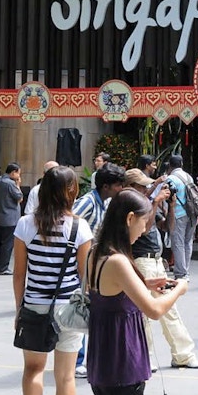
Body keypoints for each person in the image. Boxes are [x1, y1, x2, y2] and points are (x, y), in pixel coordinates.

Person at [86, 189, 190, 395]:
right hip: (122, 359)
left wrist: (144, 284)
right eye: (143, 222)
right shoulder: (118, 261)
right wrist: (179, 289)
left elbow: (107, 291)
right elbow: (154, 310)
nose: (144, 230)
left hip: (103, 356)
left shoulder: (96, 251)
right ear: (129, 218)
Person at [12, 166, 92, 395]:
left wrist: (19, 309)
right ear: (71, 191)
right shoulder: (80, 228)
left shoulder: (25, 224)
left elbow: (19, 274)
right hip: (69, 308)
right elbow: (84, 275)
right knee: (66, 377)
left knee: (33, 369)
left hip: (35, 303)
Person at [125, 168, 198, 369]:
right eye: (143, 186)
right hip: (141, 260)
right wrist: (153, 201)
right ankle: (147, 356)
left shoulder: (148, 203)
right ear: (132, 187)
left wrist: (169, 205)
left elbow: (167, 227)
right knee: (144, 312)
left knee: (169, 309)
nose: (146, 189)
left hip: (156, 261)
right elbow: (143, 229)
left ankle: (183, 354)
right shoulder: (131, 206)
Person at [73, 162, 127, 379]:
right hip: (82, 263)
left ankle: (86, 357)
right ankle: (77, 359)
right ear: (106, 186)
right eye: (117, 185)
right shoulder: (88, 202)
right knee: (83, 308)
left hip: (95, 263)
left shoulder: (104, 203)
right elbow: (70, 222)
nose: (120, 190)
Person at [165, 155, 194, 280]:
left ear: (170, 165)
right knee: (188, 242)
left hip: (178, 213)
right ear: (181, 164)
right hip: (192, 213)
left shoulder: (170, 178)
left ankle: (181, 273)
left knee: (178, 243)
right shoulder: (188, 176)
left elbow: (168, 196)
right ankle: (185, 270)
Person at [0, 163, 24, 275]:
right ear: (13, 172)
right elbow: (19, 198)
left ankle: (1, 266)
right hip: (10, 217)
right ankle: (3, 267)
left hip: (1, 216)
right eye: (18, 174)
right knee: (8, 243)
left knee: (2, 242)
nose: (19, 177)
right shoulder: (11, 184)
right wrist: (18, 185)